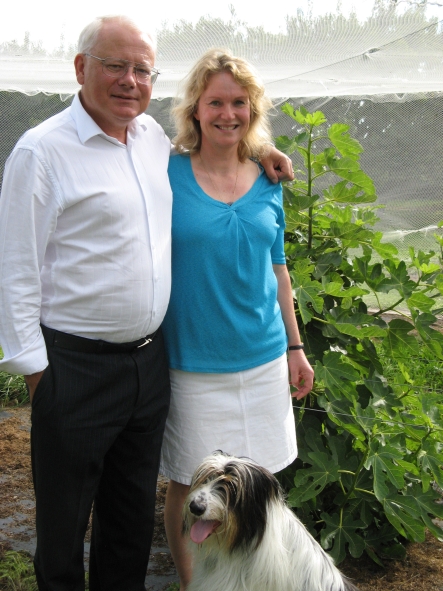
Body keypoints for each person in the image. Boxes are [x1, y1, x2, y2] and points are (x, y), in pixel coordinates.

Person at [0, 16, 295, 591]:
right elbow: (14, 273)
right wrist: (38, 376)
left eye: (142, 70)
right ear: (82, 68)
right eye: (115, 65)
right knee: (64, 522)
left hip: (148, 363)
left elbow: (224, 141)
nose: (129, 80)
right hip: (74, 366)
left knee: (129, 517)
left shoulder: (151, 142)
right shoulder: (42, 152)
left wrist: (265, 151)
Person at [159, 49, 315, 590]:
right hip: (194, 364)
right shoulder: (166, 171)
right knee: (189, 485)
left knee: (258, 483)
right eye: (216, 102)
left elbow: (280, 272)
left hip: (265, 359)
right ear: (195, 110)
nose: (229, 113)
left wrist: (296, 349)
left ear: (253, 108)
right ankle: (192, 584)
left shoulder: (269, 180)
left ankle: (251, 581)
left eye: (239, 103)